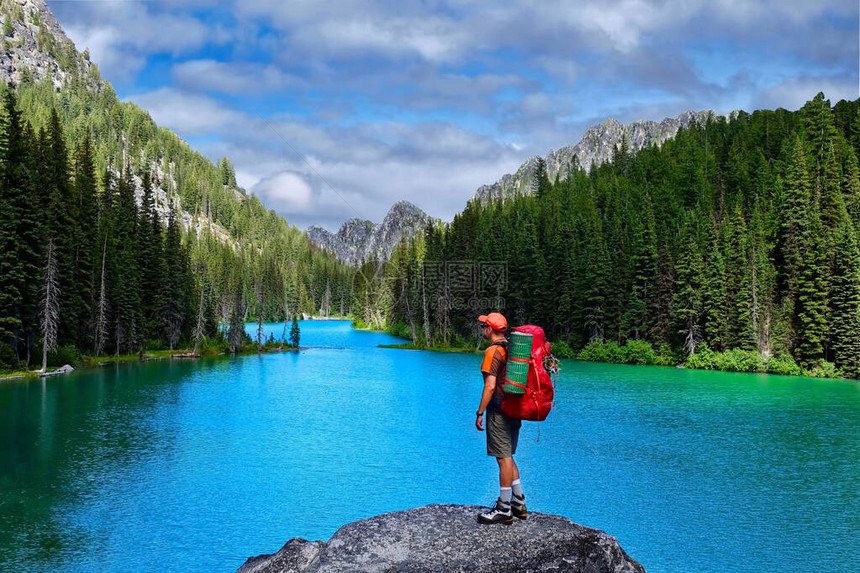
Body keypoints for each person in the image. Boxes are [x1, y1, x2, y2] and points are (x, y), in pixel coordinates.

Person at [475, 312, 526, 525]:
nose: (482, 330)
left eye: (483, 326)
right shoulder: (512, 349)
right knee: (509, 456)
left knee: (502, 458)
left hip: (499, 412)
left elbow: (490, 386)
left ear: (490, 329)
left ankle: (504, 509)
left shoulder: (493, 352)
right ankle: (519, 503)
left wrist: (479, 413)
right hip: (515, 408)